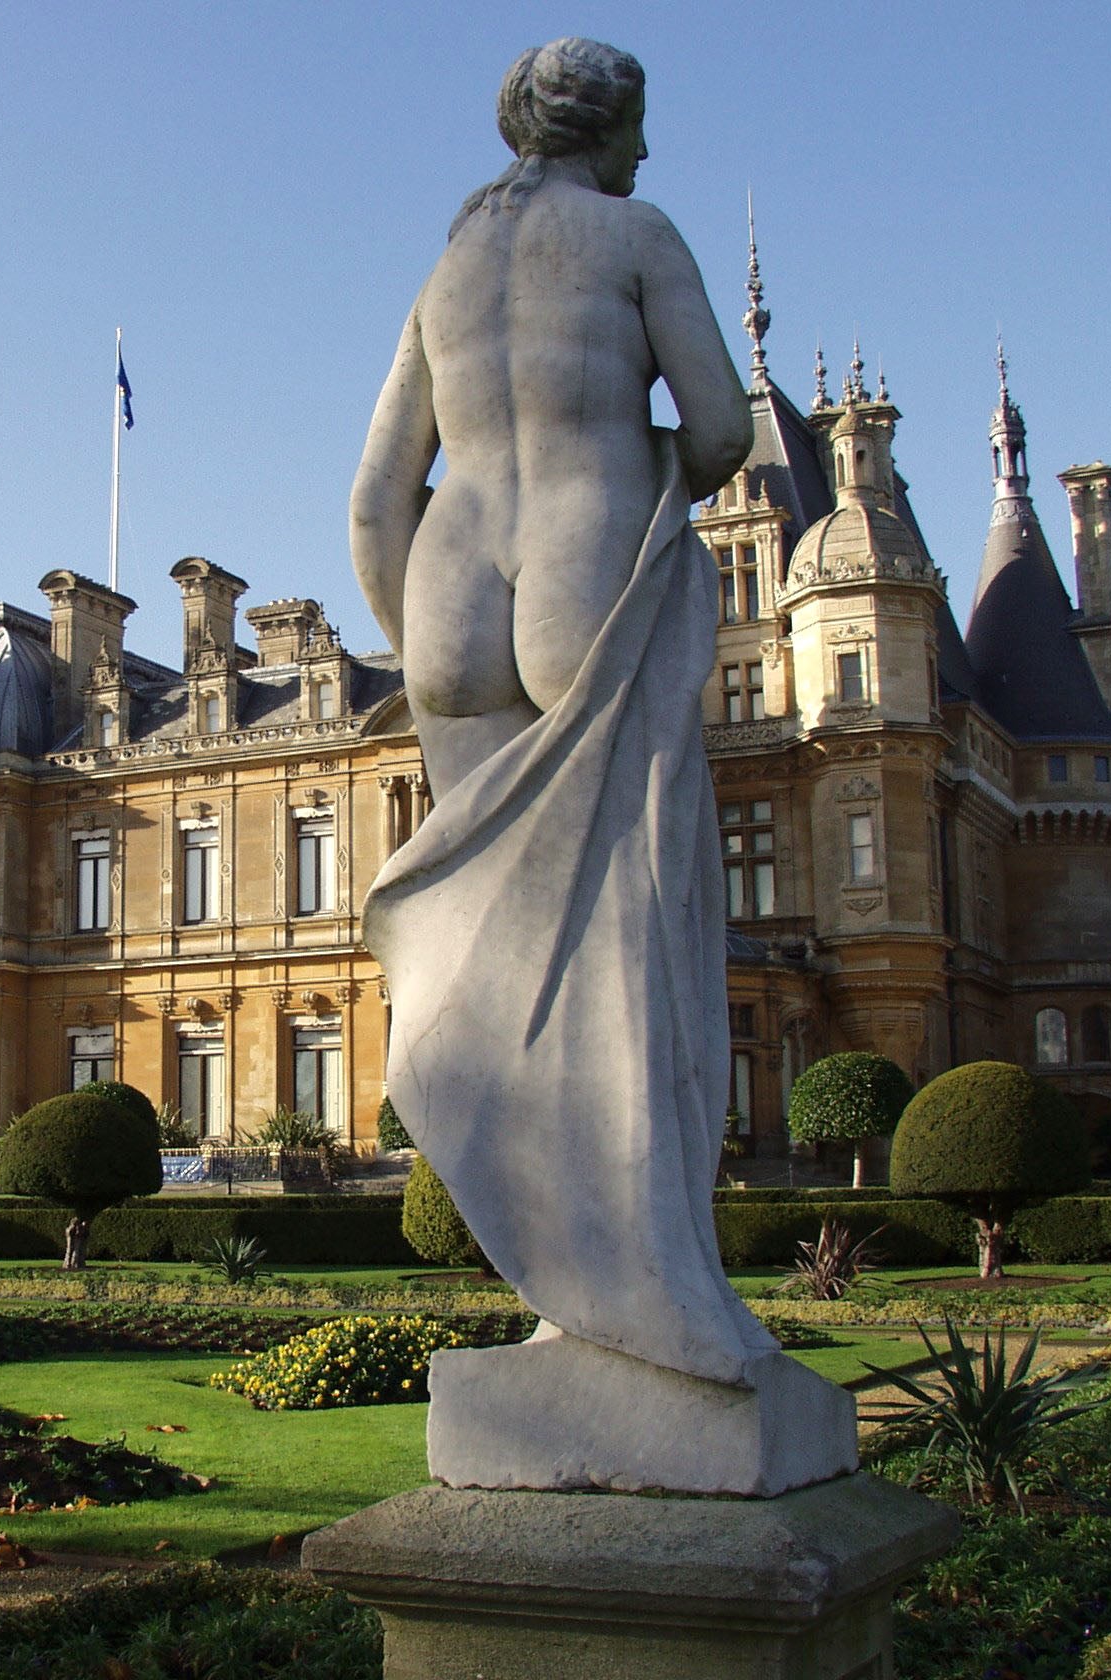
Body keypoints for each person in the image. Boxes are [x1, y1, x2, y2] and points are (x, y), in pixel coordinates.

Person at [355, 38, 773, 1392]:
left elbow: (374, 502)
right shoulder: (636, 231)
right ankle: (647, 1294)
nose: (647, 155)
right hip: (585, 560)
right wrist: (626, 463)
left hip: (450, 594)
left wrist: (416, 636)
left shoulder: (449, 270)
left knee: (497, 959)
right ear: (613, 130)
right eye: (641, 129)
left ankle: (564, 1307)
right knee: (628, 943)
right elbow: (719, 434)